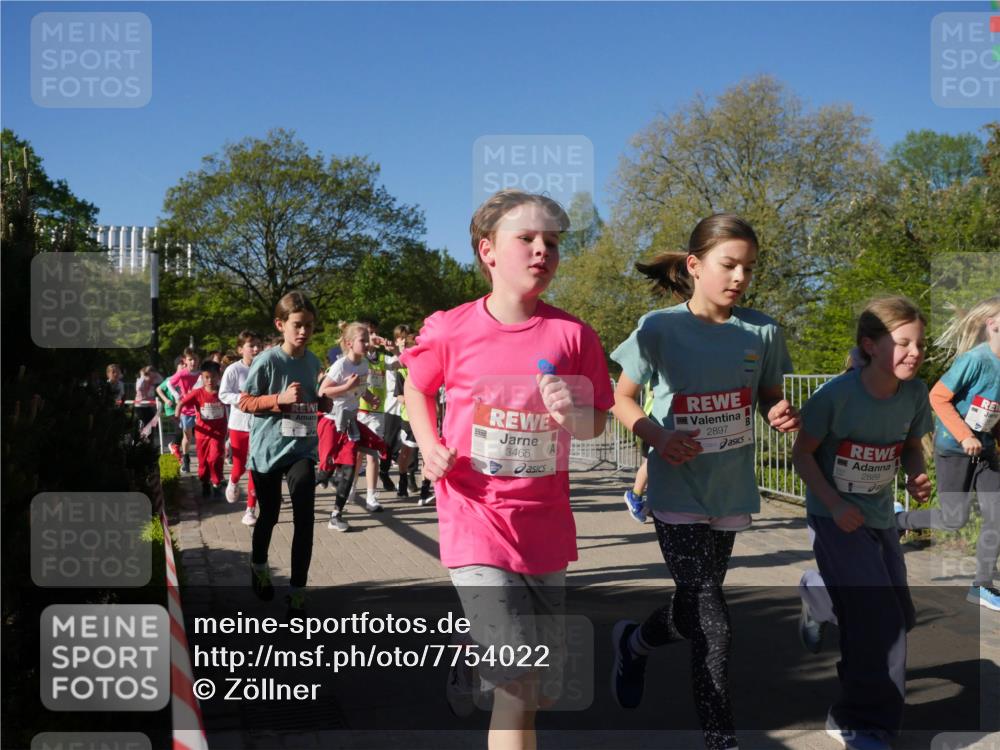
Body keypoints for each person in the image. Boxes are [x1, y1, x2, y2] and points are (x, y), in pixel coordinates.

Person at [403, 190, 613, 748]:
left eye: (552, 241)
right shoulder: (451, 329)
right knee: (518, 683)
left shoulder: (574, 336)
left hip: (543, 524)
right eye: (527, 238)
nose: (542, 250)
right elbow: (416, 388)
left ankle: (471, 656)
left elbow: (596, 423)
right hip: (473, 517)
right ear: (488, 250)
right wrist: (429, 444)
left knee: (541, 690)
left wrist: (573, 414)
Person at [609, 213, 799, 750]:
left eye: (749, 268)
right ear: (694, 266)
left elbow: (768, 394)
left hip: (730, 489)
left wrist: (778, 411)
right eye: (729, 264)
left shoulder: (762, 331)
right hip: (677, 489)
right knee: (714, 625)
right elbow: (621, 398)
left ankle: (634, 643)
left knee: (695, 607)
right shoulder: (658, 328)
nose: (740, 277)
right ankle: (721, 741)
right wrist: (658, 436)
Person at [793, 296, 932, 750]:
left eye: (920, 344)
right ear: (871, 346)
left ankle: (818, 595)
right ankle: (856, 721)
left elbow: (911, 446)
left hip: (878, 516)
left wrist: (915, 474)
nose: (915, 352)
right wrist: (835, 505)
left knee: (901, 616)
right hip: (835, 518)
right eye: (903, 343)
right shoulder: (835, 397)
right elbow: (803, 455)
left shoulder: (914, 394)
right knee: (879, 620)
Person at [893, 296, 1000, 611]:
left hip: (985, 451)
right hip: (954, 448)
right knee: (954, 519)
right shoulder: (975, 360)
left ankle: (982, 585)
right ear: (993, 325)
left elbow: (994, 411)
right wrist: (965, 436)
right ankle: (899, 521)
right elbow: (938, 397)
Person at [239, 292, 326, 617]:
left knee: (305, 519)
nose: (303, 332)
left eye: (309, 326)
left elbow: (310, 398)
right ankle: (259, 565)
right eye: (297, 325)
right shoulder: (267, 361)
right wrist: (278, 399)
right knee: (270, 514)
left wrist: (322, 403)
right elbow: (245, 402)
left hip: (301, 448)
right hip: (268, 450)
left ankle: (298, 591)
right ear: (281, 325)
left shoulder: (313, 362)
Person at [317, 322, 388, 532]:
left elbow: (361, 388)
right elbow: (322, 391)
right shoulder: (341, 365)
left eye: (367, 340)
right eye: (362, 340)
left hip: (350, 422)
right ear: (349, 343)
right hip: (331, 422)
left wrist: (370, 397)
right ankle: (303, 492)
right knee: (324, 472)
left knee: (349, 465)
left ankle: (336, 514)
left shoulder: (364, 364)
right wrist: (346, 386)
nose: (367, 344)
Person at [219, 330, 263, 525]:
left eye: (258, 345)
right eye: (251, 345)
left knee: (255, 466)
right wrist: (242, 398)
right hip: (239, 424)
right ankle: (234, 480)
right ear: (240, 349)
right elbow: (223, 394)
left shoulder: (265, 367)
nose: (256, 349)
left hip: (260, 424)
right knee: (239, 466)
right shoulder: (234, 370)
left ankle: (250, 509)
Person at [178, 360, 228, 499]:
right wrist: (177, 413)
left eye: (213, 377)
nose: (210, 380)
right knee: (204, 461)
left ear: (219, 376)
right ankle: (205, 482)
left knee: (215, 458)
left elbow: (236, 401)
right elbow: (182, 402)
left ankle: (217, 483)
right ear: (202, 377)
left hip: (218, 433)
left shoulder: (223, 392)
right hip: (202, 433)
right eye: (206, 377)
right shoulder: (197, 393)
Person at [160, 348, 199, 472]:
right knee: (187, 436)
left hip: (199, 410)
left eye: (195, 359)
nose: (193, 362)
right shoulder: (182, 373)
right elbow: (169, 384)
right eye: (190, 359)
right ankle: (186, 461)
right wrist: (177, 396)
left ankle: (204, 460)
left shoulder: (201, 374)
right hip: (186, 410)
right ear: (185, 361)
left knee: (200, 437)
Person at [134, 365, 162, 433]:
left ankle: (150, 437)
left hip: (149, 406)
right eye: (147, 374)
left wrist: (155, 373)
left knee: (152, 423)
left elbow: (161, 380)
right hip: (140, 406)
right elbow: (138, 387)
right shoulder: (140, 381)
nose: (150, 377)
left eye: (151, 374)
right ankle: (140, 437)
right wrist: (143, 376)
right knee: (142, 424)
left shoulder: (153, 382)